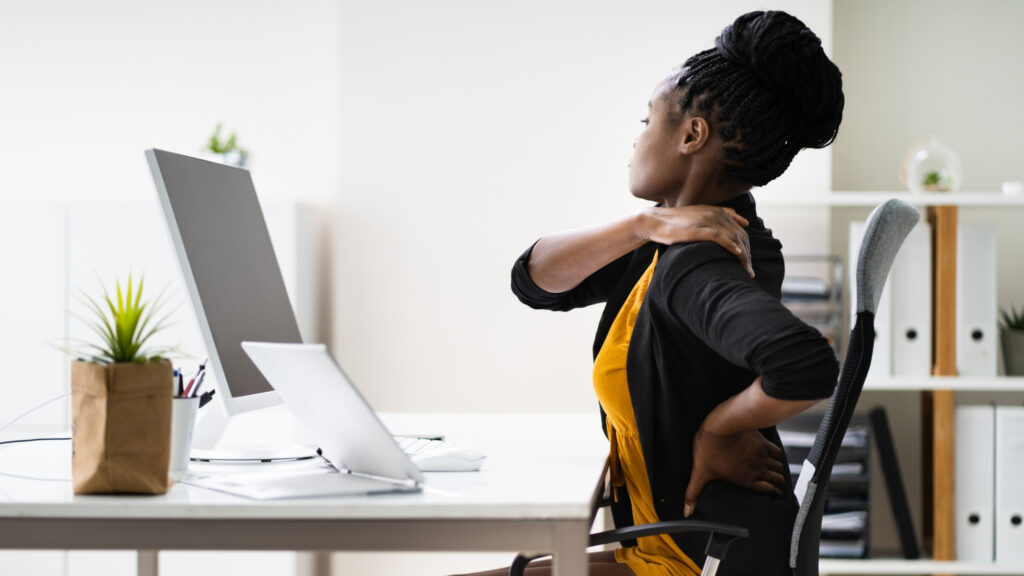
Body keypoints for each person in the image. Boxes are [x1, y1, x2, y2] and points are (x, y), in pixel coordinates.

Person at [464, 9, 845, 576]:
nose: (637, 137)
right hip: (666, 544)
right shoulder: (678, 239)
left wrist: (722, 426)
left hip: (690, 558)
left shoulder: (698, 262)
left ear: (692, 135)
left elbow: (807, 364)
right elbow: (534, 281)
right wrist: (641, 226)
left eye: (647, 120)